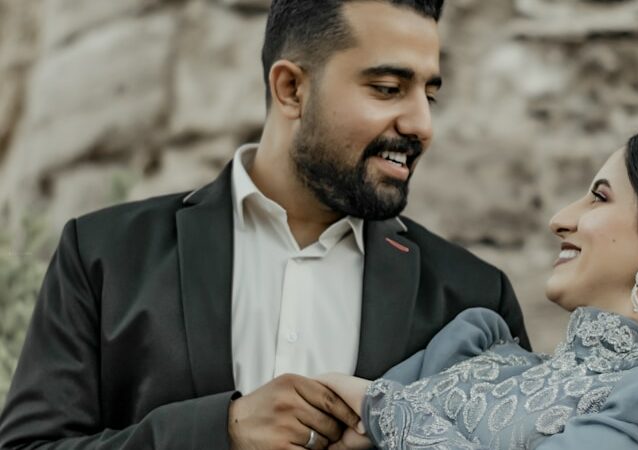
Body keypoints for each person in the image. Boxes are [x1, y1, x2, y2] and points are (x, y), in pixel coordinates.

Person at [0, 1, 531, 449]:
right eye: (389, 88)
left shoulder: (473, 296)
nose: (421, 124)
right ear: (291, 89)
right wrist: (219, 432)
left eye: (429, 95)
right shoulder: (103, 254)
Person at [319, 115, 638, 449]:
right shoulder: (484, 353)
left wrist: (386, 413)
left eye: (598, 198)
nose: (560, 219)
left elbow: (379, 410)